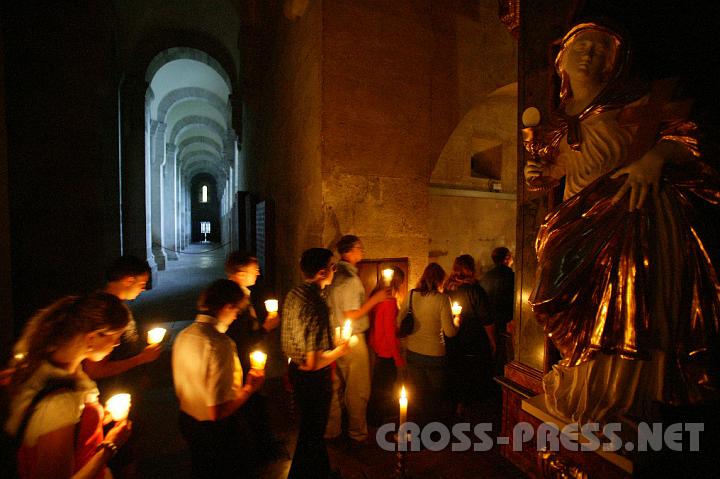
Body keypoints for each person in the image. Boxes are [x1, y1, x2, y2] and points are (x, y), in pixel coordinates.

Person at [523, 22, 720, 425]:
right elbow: (554, 169)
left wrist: (654, 158)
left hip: (625, 215)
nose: (589, 53)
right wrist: (539, 174)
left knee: (622, 300)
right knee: (559, 294)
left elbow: (684, 134)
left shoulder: (634, 103)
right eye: (581, 45)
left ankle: (614, 393)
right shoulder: (560, 121)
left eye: (600, 48)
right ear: (562, 58)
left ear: (614, 63)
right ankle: (582, 379)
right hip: (574, 219)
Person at [4, 292, 133, 479]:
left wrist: (96, 417)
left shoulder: (44, 366)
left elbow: (67, 429)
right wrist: (110, 446)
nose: (117, 343)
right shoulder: (60, 404)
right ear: (92, 338)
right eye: (115, 336)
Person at [172, 279, 265, 479]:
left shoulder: (183, 335)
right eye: (236, 311)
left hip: (187, 421)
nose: (235, 317)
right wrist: (250, 387)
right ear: (227, 307)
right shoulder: (219, 344)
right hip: (216, 432)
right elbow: (218, 411)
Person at [281, 248, 350, 479]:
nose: (335, 271)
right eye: (333, 267)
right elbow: (313, 362)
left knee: (311, 431)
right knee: (312, 433)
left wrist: (330, 340)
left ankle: (323, 472)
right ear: (322, 272)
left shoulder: (294, 293)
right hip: (313, 379)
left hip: (295, 371)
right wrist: (340, 350)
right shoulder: (317, 304)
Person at [324, 235, 389, 444]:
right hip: (352, 339)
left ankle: (333, 430)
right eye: (359, 248)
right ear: (349, 252)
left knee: (338, 385)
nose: (363, 251)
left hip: (335, 335)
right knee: (358, 388)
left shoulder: (334, 274)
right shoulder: (350, 279)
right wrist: (375, 300)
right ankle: (357, 432)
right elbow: (352, 312)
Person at [224, 251, 286, 464]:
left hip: (246, 359)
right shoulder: (233, 301)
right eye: (254, 269)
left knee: (255, 404)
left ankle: (263, 445)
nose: (258, 272)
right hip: (240, 362)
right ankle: (260, 450)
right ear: (240, 273)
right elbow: (241, 339)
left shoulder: (241, 294)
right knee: (252, 405)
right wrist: (266, 328)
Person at [83, 255, 162, 381]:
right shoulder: (106, 312)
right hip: (113, 387)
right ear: (129, 281)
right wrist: (141, 358)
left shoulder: (116, 305)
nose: (143, 289)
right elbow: (94, 370)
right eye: (142, 284)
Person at [397, 263, 457, 425]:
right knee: (435, 396)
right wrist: (457, 321)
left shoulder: (411, 295)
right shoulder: (443, 299)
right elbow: (450, 332)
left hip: (413, 353)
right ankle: (432, 431)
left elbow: (399, 321)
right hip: (435, 356)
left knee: (417, 395)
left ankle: (418, 427)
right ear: (440, 281)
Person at [444, 254, 495, 417]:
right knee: (471, 371)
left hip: (452, 336)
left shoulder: (447, 289)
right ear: (470, 269)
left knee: (456, 369)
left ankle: (456, 403)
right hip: (473, 338)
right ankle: (469, 407)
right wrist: (492, 341)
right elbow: (486, 318)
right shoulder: (475, 290)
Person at [367, 266, 406, 426]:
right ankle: (378, 419)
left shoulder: (377, 297)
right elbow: (389, 332)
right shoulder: (389, 301)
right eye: (402, 283)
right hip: (386, 351)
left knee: (378, 386)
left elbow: (377, 324)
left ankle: (374, 419)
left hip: (377, 347)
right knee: (385, 387)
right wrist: (398, 358)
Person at [480, 247, 515, 376]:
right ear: (507, 258)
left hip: (489, 323)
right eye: (510, 256)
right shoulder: (512, 277)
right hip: (507, 324)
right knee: (506, 357)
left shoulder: (485, 278)